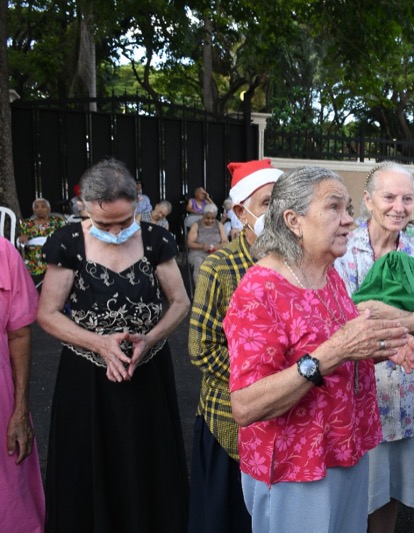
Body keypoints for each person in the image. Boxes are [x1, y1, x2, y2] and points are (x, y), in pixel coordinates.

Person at [223, 166, 414, 532]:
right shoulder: (259, 292)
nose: (349, 220)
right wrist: (335, 351)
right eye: (335, 208)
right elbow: (246, 406)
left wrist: (383, 345)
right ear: (294, 221)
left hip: (346, 451)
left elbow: (343, 350)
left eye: (348, 208)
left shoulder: (328, 275)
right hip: (297, 468)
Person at [37, 158, 190, 532]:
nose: (117, 231)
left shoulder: (156, 239)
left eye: (125, 222)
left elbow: (180, 302)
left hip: (147, 371)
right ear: (84, 208)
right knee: (88, 465)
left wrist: (151, 337)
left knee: (147, 463)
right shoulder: (68, 242)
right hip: (87, 380)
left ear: (137, 202)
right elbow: (48, 313)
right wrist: (99, 345)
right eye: (105, 224)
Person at [334, 161, 414, 533]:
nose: (399, 206)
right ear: (368, 200)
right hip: (353, 392)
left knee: (390, 492)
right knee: (350, 490)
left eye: (407, 198)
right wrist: (410, 319)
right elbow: (343, 320)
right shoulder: (343, 247)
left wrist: (381, 313)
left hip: (405, 395)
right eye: (389, 196)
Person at [187, 158, 283, 533]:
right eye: (267, 203)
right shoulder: (221, 267)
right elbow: (201, 347)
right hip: (228, 419)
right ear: (242, 212)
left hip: (284, 416)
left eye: (283, 201)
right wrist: (266, 380)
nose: (277, 212)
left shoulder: (299, 261)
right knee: (226, 519)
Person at [0, 236, 45, 533]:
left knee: (10, 497)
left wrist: (20, 410)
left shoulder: (2, 252)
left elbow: (19, 333)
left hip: (2, 402)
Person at [17, 197, 66, 285]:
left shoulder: (58, 222)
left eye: (43, 206)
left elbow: (66, 237)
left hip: (52, 252)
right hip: (32, 256)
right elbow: (19, 242)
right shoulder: (26, 224)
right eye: (36, 207)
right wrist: (21, 239)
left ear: (49, 209)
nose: (40, 209)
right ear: (33, 210)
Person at [186, 204, 228, 283]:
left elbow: (225, 242)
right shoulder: (196, 225)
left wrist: (217, 246)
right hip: (198, 253)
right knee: (198, 261)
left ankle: (218, 288)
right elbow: (190, 243)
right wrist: (202, 246)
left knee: (223, 262)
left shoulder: (219, 225)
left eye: (212, 218)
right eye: (207, 218)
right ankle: (200, 289)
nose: (210, 220)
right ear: (203, 215)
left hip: (216, 252)